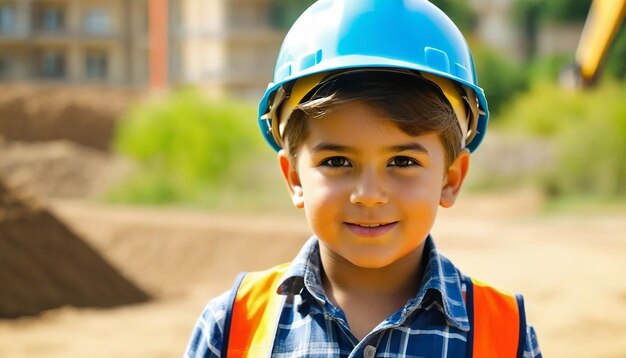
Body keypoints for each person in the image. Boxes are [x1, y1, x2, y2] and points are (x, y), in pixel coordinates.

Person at [185, 0, 541, 356]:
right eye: (337, 161)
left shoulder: (503, 332)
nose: (369, 194)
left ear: (451, 179)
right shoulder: (233, 326)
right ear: (294, 178)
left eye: (402, 161)